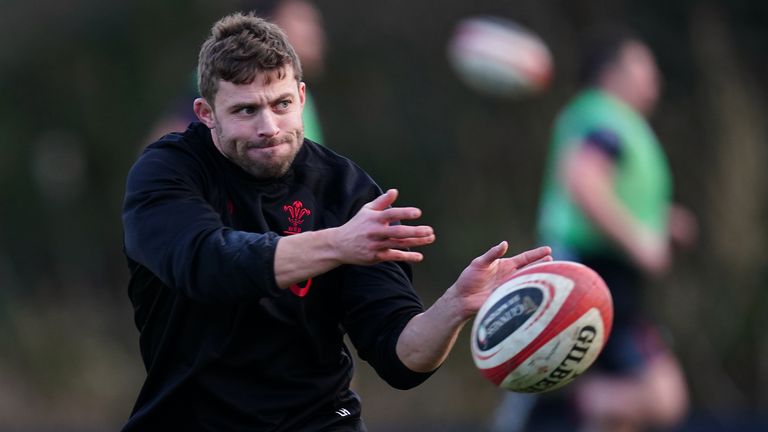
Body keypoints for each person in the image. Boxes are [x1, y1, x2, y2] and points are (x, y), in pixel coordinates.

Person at [121, 12, 551, 431]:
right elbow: (207, 264)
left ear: (302, 96)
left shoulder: (345, 189)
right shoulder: (167, 172)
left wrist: (454, 306)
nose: (268, 126)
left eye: (281, 104)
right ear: (205, 112)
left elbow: (402, 360)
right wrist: (338, 245)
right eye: (246, 110)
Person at [529, 30, 694, 431]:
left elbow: (606, 189)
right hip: (594, 274)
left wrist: (659, 221)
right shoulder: (606, 118)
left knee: (617, 411)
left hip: (599, 274)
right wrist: (639, 242)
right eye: (644, 65)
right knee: (663, 396)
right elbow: (584, 181)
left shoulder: (604, 119)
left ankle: (553, 399)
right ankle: (550, 404)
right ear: (612, 73)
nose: (654, 77)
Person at [144, 0, 327, 145]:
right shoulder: (223, 76)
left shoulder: (300, 95)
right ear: (266, 24)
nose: (315, 31)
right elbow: (166, 145)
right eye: (302, 20)